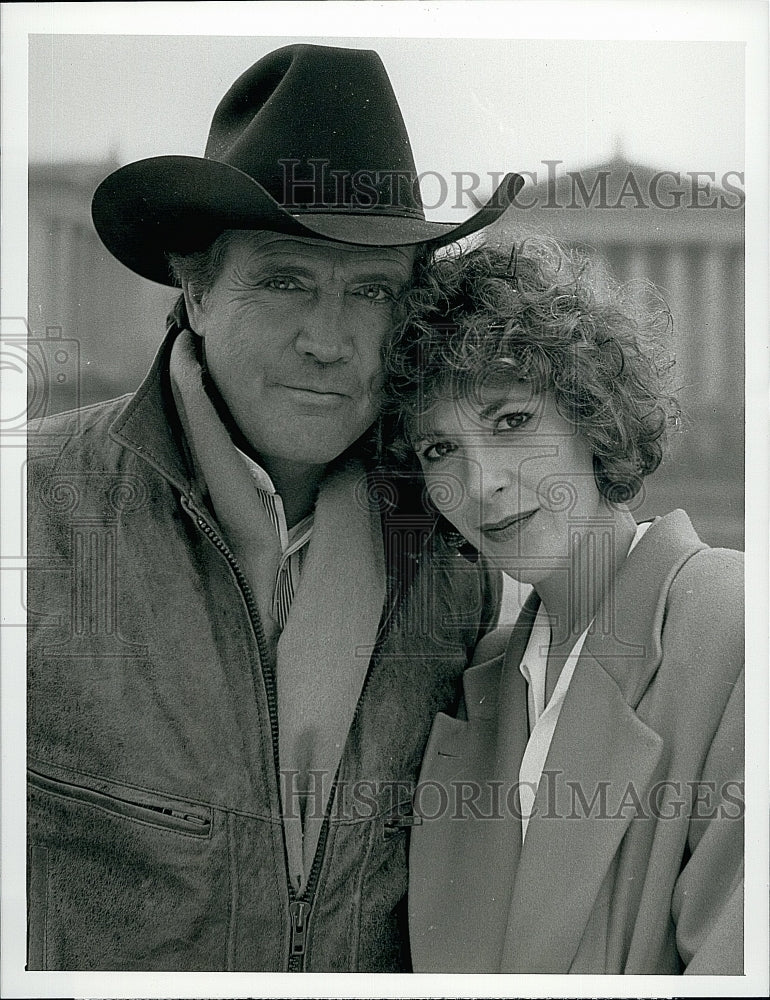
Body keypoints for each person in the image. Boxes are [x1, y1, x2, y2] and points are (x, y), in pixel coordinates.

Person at [25, 44, 524, 971]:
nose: (329, 341)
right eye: (287, 279)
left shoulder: (465, 559)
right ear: (198, 288)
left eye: (370, 290)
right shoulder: (29, 515)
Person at [383, 239, 744, 974]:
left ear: (590, 412)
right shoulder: (482, 679)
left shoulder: (735, 628)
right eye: (438, 451)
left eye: (511, 421)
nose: (481, 482)